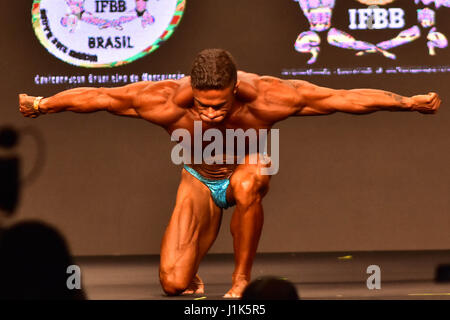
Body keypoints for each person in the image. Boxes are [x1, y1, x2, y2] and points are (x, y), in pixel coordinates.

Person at [19, 48, 441, 298]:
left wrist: (407, 102)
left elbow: (342, 97)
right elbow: (100, 97)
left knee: (247, 181)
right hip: (198, 179)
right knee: (173, 284)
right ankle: (194, 267)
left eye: (219, 104)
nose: (210, 113)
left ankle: (241, 281)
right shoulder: (163, 101)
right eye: (202, 105)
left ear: (235, 88)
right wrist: (41, 104)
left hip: (246, 167)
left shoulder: (270, 98)